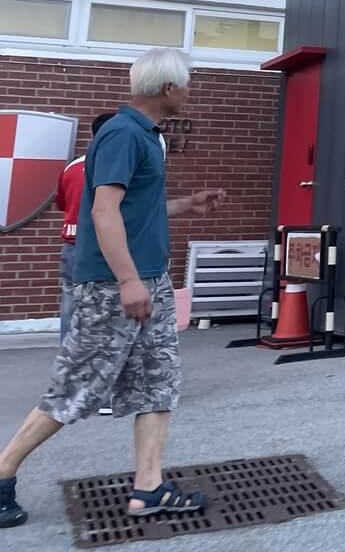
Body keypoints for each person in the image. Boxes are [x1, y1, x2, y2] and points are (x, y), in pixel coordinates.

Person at [0, 48, 226, 529]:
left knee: (157, 384)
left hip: (151, 280)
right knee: (77, 387)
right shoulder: (123, 133)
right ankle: (2, 471)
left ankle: (148, 489)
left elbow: (134, 210)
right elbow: (102, 212)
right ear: (168, 89)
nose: (190, 92)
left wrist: (188, 203)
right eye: (186, 84)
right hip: (113, 285)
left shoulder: (145, 135)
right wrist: (127, 281)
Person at [56, 112, 115, 345]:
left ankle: (67, 357)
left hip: (70, 246)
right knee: (105, 311)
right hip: (100, 247)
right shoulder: (112, 167)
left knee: (70, 305)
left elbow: (61, 203)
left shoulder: (72, 166)